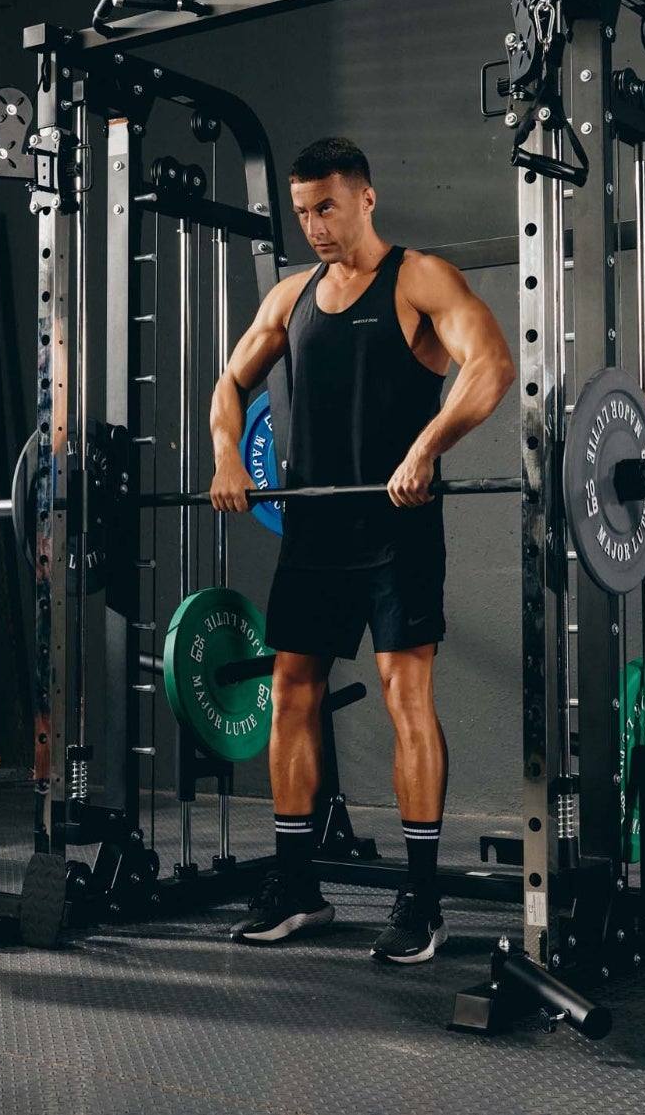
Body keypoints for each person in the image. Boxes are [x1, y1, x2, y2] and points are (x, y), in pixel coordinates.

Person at [208, 137, 515, 963]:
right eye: (303, 211)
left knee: (403, 691)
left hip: (395, 527)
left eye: (327, 207)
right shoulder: (291, 294)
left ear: (366, 199)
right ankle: (298, 885)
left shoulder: (418, 278)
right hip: (315, 529)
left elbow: (491, 364)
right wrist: (228, 455)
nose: (314, 225)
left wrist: (429, 446)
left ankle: (422, 899)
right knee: (292, 688)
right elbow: (229, 384)